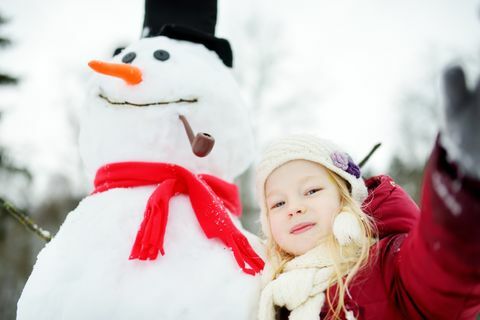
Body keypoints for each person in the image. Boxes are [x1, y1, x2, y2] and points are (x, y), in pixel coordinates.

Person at [254, 66, 480, 320]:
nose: (294, 208)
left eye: (311, 190)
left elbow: (442, 272)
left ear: (346, 198)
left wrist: (462, 191)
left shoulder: (385, 266)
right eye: (278, 203)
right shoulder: (266, 289)